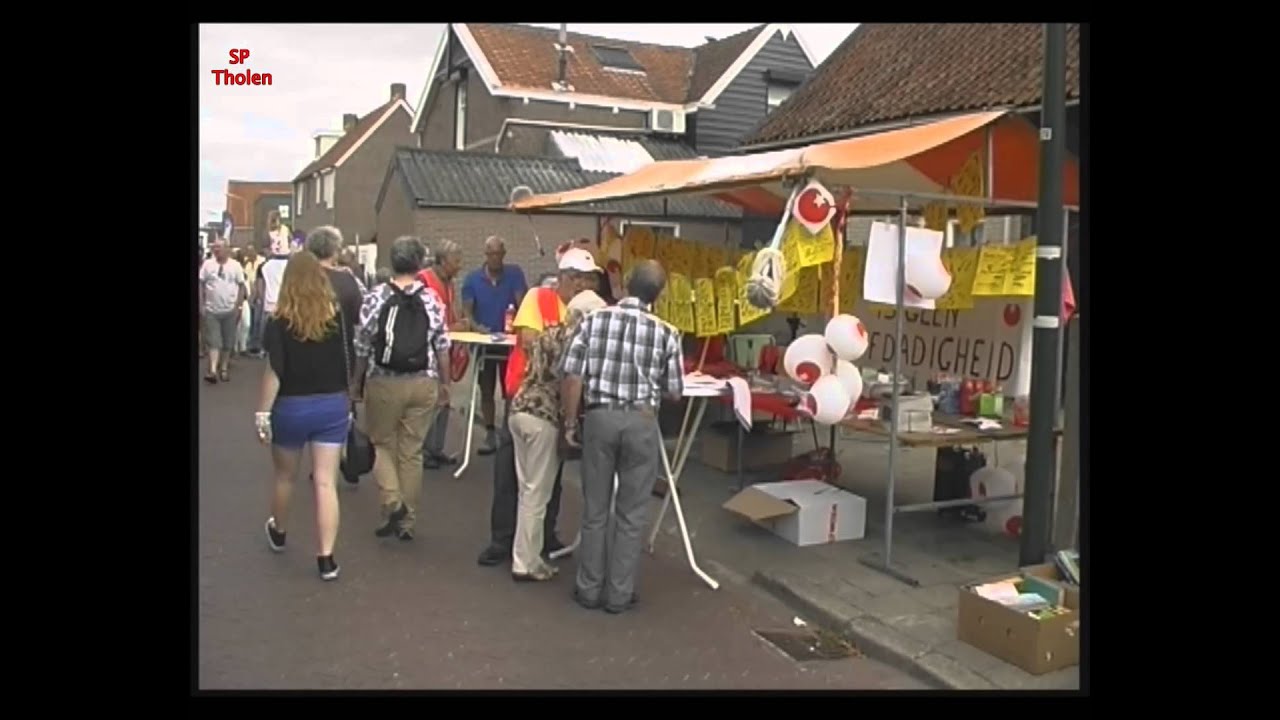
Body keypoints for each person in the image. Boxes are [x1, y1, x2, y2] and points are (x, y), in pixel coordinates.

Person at [560, 260, 685, 614]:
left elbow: (572, 374)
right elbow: (675, 391)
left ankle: (588, 588)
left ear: (626, 285)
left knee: (595, 508)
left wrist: (571, 422)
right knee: (632, 513)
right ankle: (619, 592)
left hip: (600, 416)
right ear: (658, 294)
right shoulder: (666, 332)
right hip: (642, 420)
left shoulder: (593, 321)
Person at [476, 248, 599, 568]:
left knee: (549, 476)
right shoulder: (540, 298)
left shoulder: (584, 312)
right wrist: (564, 339)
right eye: (580, 279)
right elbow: (529, 339)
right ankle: (503, 539)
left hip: (555, 404)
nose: (585, 286)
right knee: (509, 473)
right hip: (525, 392)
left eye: (590, 280)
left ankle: (543, 536)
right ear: (565, 278)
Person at [256, 250, 352, 581]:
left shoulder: (279, 322)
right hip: (332, 404)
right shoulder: (335, 318)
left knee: (285, 477)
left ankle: (279, 531)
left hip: (292, 406)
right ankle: (326, 558)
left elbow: (275, 371)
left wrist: (262, 412)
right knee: (326, 482)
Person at [352, 237, 451, 542]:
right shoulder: (432, 299)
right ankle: (407, 521)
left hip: (385, 380)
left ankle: (392, 502)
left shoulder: (376, 296)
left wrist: (357, 383)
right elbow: (442, 345)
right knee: (412, 452)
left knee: (382, 443)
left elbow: (363, 344)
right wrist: (445, 383)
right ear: (420, 263)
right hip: (423, 381)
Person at [508, 288, 607, 581]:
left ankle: (525, 555)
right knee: (538, 494)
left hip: (520, 408)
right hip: (545, 417)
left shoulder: (549, 332)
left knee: (527, 490)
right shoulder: (578, 342)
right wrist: (570, 423)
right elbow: (571, 383)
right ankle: (525, 563)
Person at [460, 236, 528, 455]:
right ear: (485, 255)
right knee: (486, 388)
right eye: (492, 254)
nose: (496, 259)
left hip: (509, 341)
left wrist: (518, 325)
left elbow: (523, 304)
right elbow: (467, 313)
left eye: (499, 254)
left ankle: (508, 432)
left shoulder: (515, 275)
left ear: (504, 254)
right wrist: (477, 327)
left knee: (511, 387)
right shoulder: (472, 279)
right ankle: (489, 431)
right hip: (486, 341)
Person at [418, 239, 465, 469]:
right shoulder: (423, 281)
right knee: (431, 402)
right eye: (456, 261)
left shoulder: (449, 283)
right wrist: (451, 328)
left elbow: (451, 314)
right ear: (443, 261)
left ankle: (436, 448)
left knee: (444, 399)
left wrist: (460, 323)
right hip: (428, 354)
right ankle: (425, 449)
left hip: (445, 350)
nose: (459, 266)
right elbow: (422, 321)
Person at [306, 226, 365, 373]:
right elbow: (359, 317)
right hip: (339, 357)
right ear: (333, 252)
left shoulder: (300, 280)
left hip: (304, 353)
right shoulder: (346, 280)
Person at [199, 240, 248, 384]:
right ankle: (213, 370)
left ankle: (224, 368)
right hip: (212, 310)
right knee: (214, 341)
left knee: (228, 341)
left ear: (227, 249)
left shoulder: (235, 266)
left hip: (229, 310)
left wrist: (238, 306)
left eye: (219, 247)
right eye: (214, 247)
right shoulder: (208, 264)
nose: (216, 250)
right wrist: (201, 303)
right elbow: (201, 283)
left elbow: (241, 286)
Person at [241, 243, 265, 357]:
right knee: (249, 322)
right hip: (249, 295)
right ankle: (251, 345)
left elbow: (258, 281)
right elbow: (247, 280)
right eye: (247, 251)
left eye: (251, 251)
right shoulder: (247, 264)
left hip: (259, 295)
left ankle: (258, 345)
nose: (249, 253)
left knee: (257, 321)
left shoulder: (262, 262)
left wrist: (257, 296)